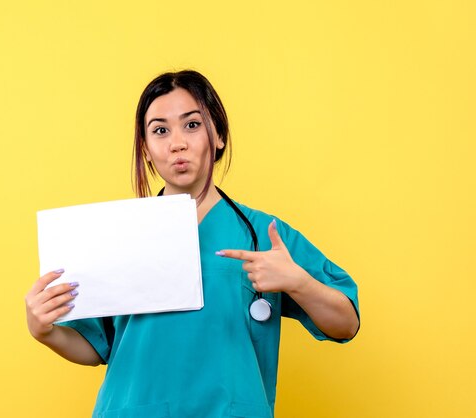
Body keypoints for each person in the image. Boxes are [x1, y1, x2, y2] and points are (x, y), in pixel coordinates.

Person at [25, 70, 360, 418]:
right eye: (160, 130)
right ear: (147, 149)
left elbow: (346, 322)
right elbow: (97, 346)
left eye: (192, 125)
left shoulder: (262, 234)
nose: (177, 143)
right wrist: (44, 330)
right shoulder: (118, 233)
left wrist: (298, 282)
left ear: (218, 135)